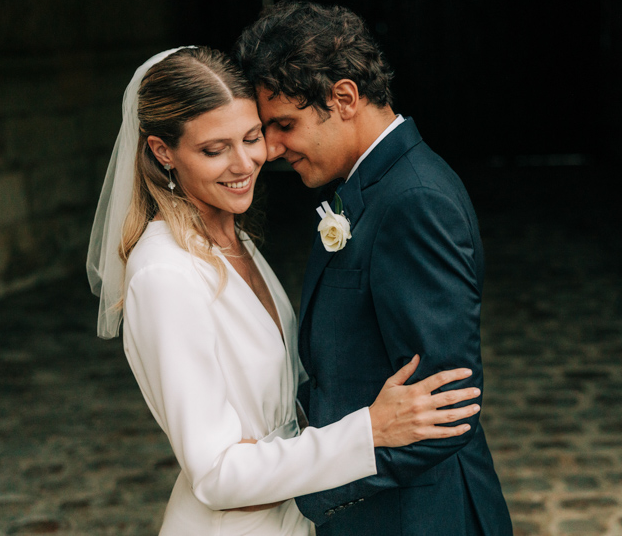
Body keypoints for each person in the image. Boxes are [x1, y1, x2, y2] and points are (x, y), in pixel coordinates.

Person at [86, 46, 481, 535]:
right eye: (214, 150)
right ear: (162, 151)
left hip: (291, 512)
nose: (246, 163)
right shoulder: (164, 272)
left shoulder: (235, 239)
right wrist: (369, 430)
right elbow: (216, 474)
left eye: (252, 138)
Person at [234, 1, 513, 535]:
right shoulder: (368, 185)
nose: (269, 149)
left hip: (420, 518)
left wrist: (303, 485)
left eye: (284, 124)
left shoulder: (414, 200)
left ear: (344, 98)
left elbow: (446, 409)